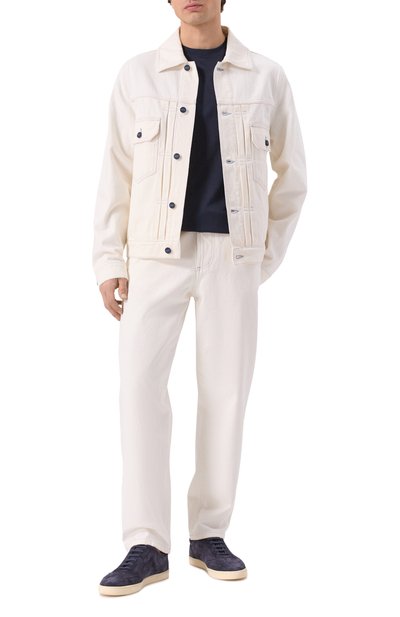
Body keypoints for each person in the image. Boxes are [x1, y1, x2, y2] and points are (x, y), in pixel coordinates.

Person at [92, 0, 307, 597]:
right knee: (139, 391)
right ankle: (145, 543)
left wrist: (263, 255)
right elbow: (115, 171)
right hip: (152, 258)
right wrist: (109, 259)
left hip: (231, 259)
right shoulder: (137, 74)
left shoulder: (266, 76)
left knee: (225, 393)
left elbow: (293, 176)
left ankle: (209, 534)